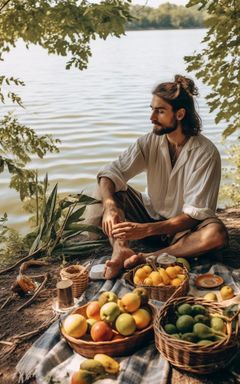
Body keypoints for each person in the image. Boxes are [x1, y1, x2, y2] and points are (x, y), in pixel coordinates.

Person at [86, 74, 228, 279]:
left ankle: (147, 258)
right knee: (103, 189)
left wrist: (145, 230)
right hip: (150, 214)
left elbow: (194, 216)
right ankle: (120, 250)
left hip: (183, 231)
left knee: (216, 234)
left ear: (179, 114)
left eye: (160, 111)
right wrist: (110, 205)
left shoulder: (205, 153)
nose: (152, 118)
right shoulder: (149, 142)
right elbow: (111, 172)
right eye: (152, 109)